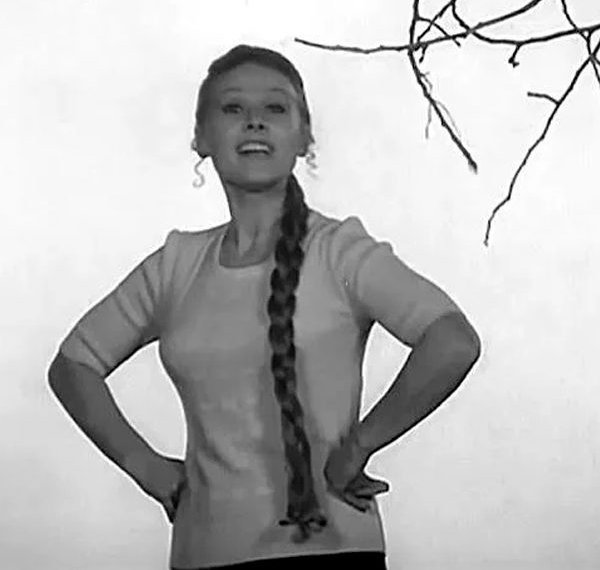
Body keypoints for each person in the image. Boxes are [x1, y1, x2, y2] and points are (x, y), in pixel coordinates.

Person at [48, 44, 481, 570]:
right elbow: (73, 365)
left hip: (332, 553)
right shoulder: (175, 266)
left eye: (275, 108)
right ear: (201, 137)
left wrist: (362, 443)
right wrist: (146, 468)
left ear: (304, 137)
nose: (254, 121)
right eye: (232, 108)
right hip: (203, 557)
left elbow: (452, 342)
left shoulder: (340, 252)